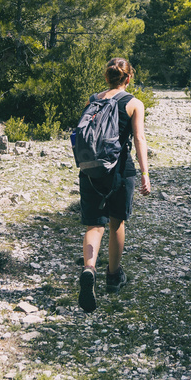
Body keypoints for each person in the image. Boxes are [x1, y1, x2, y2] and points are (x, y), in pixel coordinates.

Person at [78, 57, 150, 314]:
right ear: (128, 78)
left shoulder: (93, 100)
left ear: (106, 77)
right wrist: (145, 172)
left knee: (94, 224)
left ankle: (89, 268)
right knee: (116, 221)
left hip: (90, 170)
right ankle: (113, 276)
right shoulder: (134, 103)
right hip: (120, 170)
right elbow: (139, 137)